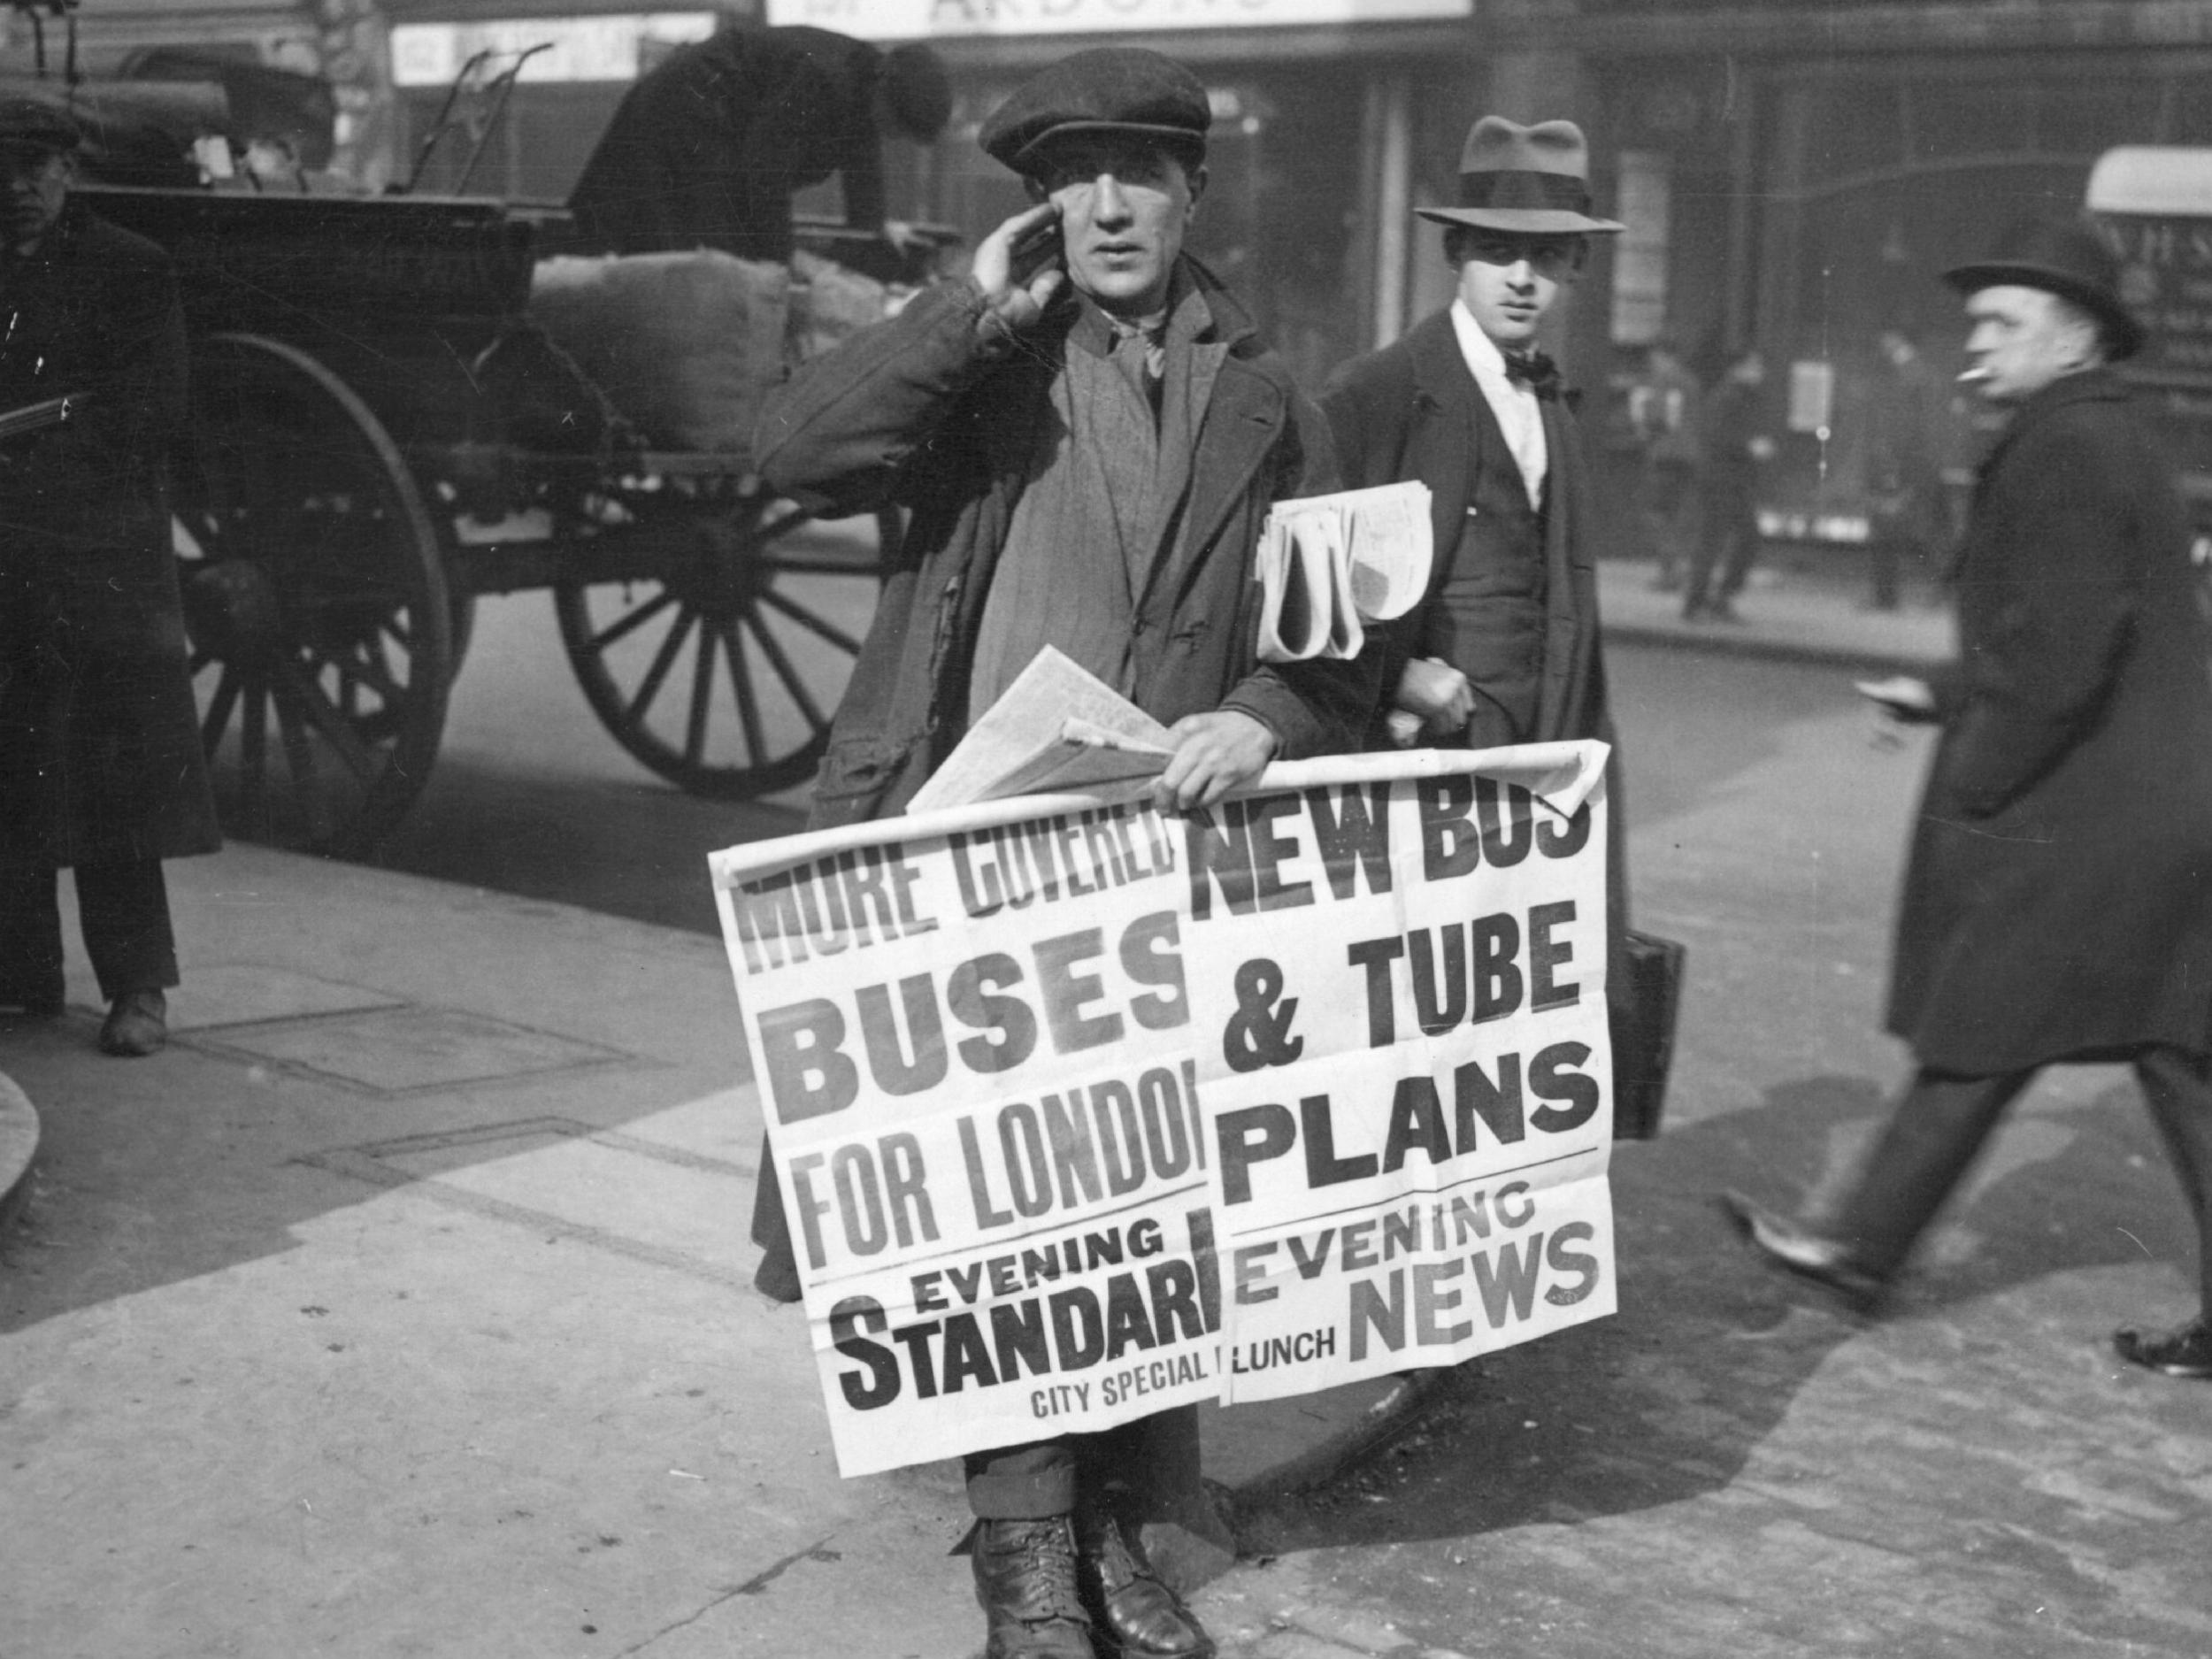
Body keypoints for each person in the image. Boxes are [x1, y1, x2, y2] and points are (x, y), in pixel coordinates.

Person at [749, 46, 1382, 1659]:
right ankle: (1023, 1552)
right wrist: (966, 311)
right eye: (1073, 176)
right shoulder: (982, 366)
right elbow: (791, 457)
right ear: (1037, 206)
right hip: (978, 842)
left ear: (1192, 195)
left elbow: (1329, 643)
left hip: (1166, 858)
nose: (1107, 203)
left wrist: (1264, 716)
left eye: (1141, 172)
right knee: (1001, 1205)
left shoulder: (1268, 394)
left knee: (1138, 1203)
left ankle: (1108, 1527)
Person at [1724, 219, 2212, 1379]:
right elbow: (2057, 627)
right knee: (2179, 1061)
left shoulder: (2066, 447)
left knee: (1984, 1017)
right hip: (2150, 806)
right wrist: (1940, 683)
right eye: (1976, 319)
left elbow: (2056, 658)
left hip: (2091, 811)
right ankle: (1857, 1243)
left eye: (2002, 321)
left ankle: (1855, 1245)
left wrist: (1978, 782)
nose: (1975, 342)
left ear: (2075, 331)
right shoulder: (2103, 434)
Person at [1318, 114, 1629, 960]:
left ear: (1576, 266)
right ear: (1455, 252)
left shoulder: (1552, 403)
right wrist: (1395, 674)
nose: (1522, 277)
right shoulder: (1380, 391)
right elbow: (1294, 586)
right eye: (1497, 250)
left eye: (1549, 256)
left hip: (1541, 752)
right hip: (1426, 755)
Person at [0, 96, 218, 1056]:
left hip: (101, 557)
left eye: (36, 169)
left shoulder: (132, 268)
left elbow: (147, 418)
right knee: (12, 770)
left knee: (114, 778)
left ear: (68, 172)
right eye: (1, 172)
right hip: (8, 553)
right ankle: (23, 981)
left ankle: (140, 991)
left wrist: (35, 448)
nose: (17, 192)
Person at [566, 21, 950, 266]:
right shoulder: (824, 79)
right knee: (702, 251)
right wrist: (777, 266)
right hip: (687, 111)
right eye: (897, 126)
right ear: (884, 90)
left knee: (719, 246)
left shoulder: (866, 81)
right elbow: (765, 174)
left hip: (711, 123)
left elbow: (862, 166)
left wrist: (876, 227)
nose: (893, 136)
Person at [1681, 347, 1775, 622]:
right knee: (1714, 541)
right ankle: (1697, 601)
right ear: (1737, 369)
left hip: (1734, 480)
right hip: (1720, 479)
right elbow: (1717, 436)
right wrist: (1750, 447)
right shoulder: (1726, 397)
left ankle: (1717, 597)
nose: (1759, 373)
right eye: (1754, 367)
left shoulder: (1744, 397)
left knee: (1745, 537)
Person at [1863, 326, 1950, 610]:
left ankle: (1886, 600)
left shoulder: (1908, 376)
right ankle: (1943, 594)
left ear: (1896, 338)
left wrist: (1892, 466)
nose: (1881, 343)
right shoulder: (1923, 374)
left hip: (1904, 466)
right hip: (1921, 465)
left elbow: (1903, 426)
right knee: (1930, 532)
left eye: (1885, 337)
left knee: (1889, 532)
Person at [1631, 337, 1702, 591]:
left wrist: (1641, 418)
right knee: (1678, 512)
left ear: (1664, 356)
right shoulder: (1691, 381)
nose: (1653, 363)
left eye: (1655, 358)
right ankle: (1680, 565)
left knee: (1655, 512)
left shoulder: (1664, 380)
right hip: (1689, 455)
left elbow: (1657, 417)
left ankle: (1671, 568)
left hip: (1665, 454)